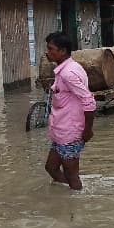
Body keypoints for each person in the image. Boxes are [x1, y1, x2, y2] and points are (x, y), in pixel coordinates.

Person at [43, 32, 95, 190]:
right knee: (51, 168)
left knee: (72, 175)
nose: (47, 52)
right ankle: (66, 199)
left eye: (51, 49)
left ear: (62, 51)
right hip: (61, 131)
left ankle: (75, 209)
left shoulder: (68, 73)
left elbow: (89, 101)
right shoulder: (67, 69)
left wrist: (87, 130)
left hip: (70, 133)